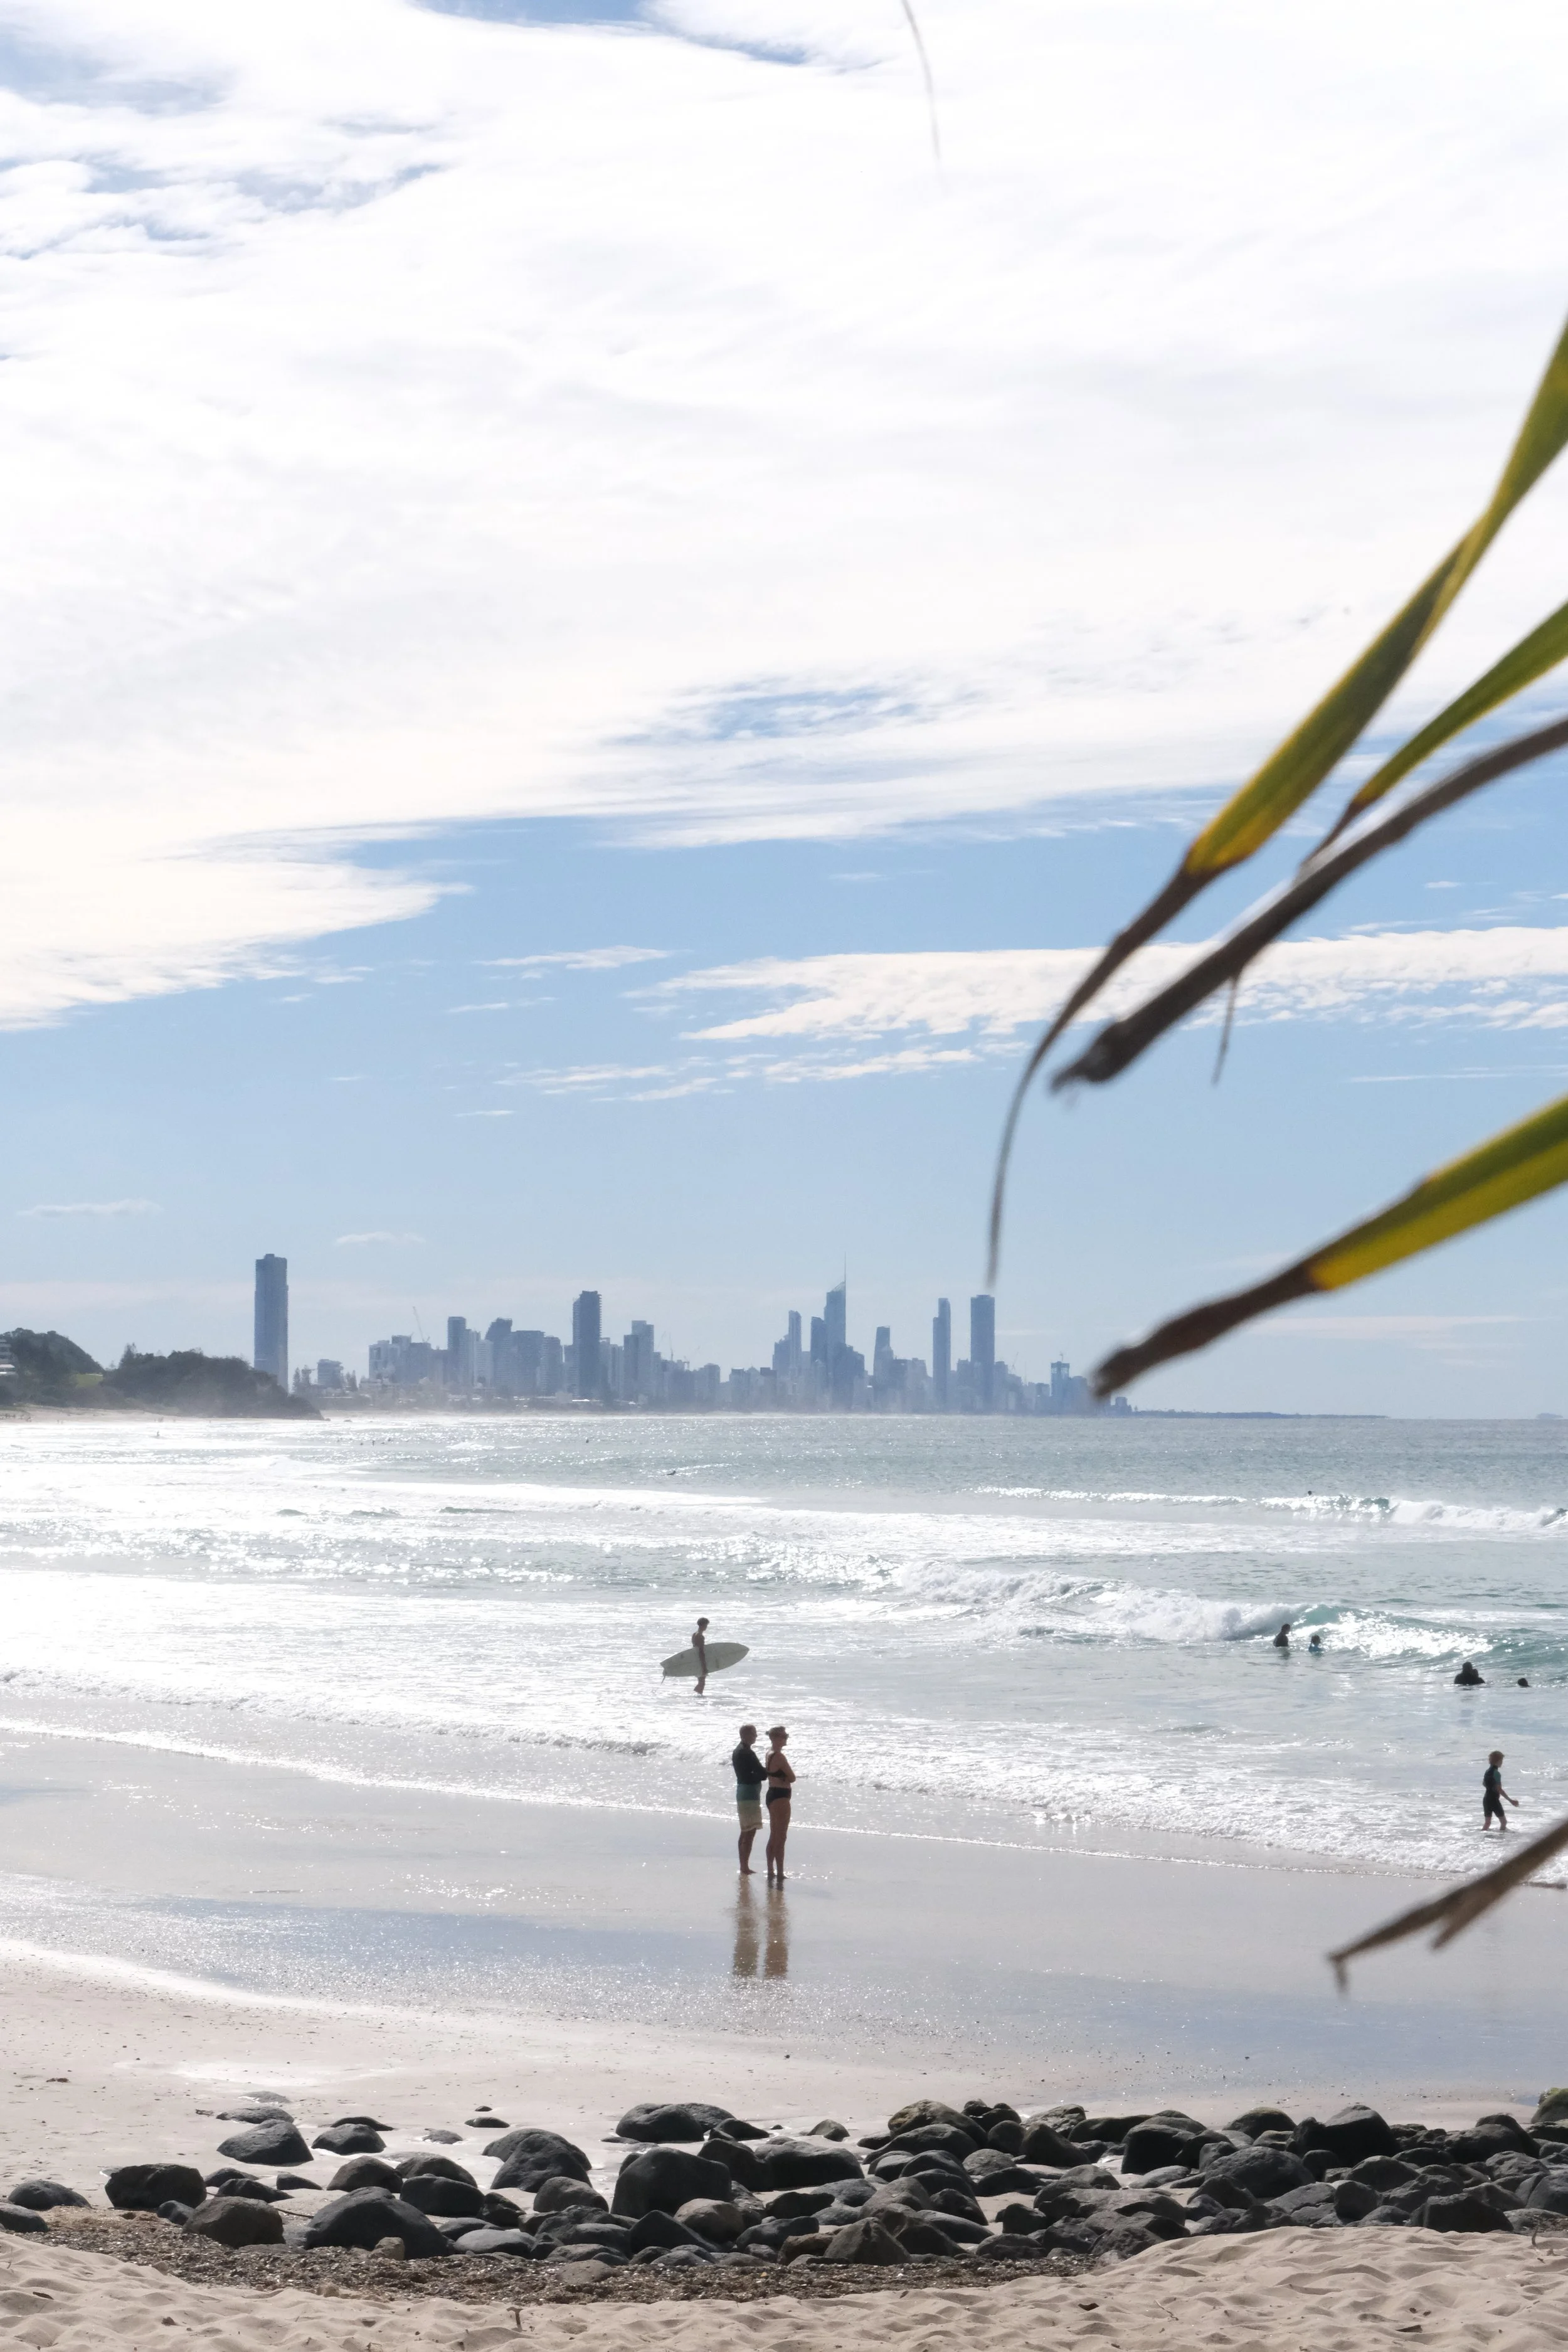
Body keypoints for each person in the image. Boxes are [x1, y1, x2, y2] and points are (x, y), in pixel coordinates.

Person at [763, 1724, 795, 1885]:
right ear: (776, 1738)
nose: (786, 1739)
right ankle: (780, 1871)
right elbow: (792, 1777)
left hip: (772, 1794)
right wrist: (785, 1777)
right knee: (781, 1836)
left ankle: (771, 1869)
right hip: (781, 1796)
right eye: (784, 1737)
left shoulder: (768, 1753)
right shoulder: (780, 1757)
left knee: (774, 1834)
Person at [733, 1724, 766, 1874]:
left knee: (745, 1830)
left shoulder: (739, 1751)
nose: (756, 1736)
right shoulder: (746, 1753)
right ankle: (744, 1866)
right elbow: (761, 1773)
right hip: (748, 1793)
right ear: (745, 1735)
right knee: (750, 1830)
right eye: (754, 1734)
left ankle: (743, 1865)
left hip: (743, 1791)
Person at [1483, 1751, 1518, 1831]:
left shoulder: (1487, 1772)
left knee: (1487, 1823)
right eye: (1502, 1760)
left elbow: (1484, 1784)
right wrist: (1511, 1801)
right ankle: (1501, 1840)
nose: (1502, 1763)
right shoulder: (1496, 1773)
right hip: (1494, 1800)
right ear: (1498, 1761)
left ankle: (1481, 1839)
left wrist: (1491, 1787)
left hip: (1486, 1799)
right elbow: (1500, 1790)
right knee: (1504, 1822)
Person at [692, 1617, 709, 1697]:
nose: (707, 1627)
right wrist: (704, 1666)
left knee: (701, 1682)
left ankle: (698, 1696)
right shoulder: (700, 1636)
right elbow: (701, 1652)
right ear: (703, 1625)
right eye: (706, 1625)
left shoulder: (694, 1635)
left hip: (696, 1660)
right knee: (702, 1682)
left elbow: (694, 1649)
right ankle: (697, 1696)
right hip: (700, 1661)